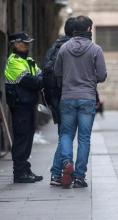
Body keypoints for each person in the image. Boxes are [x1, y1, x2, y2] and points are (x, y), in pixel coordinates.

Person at [54, 15, 107, 188]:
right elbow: (101, 76)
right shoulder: (95, 49)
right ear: (89, 29)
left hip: (67, 97)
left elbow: (57, 72)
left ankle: (66, 161)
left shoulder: (63, 48)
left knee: (66, 134)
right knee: (84, 138)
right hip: (87, 98)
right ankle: (79, 177)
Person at [5, 31, 43, 183]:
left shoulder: (28, 60)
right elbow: (34, 82)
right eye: (24, 43)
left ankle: (25, 169)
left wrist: (40, 79)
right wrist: (39, 80)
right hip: (20, 105)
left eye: (28, 43)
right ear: (15, 44)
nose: (27, 45)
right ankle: (19, 173)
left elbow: (41, 76)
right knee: (21, 138)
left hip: (28, 104)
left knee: (28, 137)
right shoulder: (14, 61)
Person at [42, 17, 75, 186]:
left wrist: (49, 101)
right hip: (68, 97)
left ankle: (56, 174)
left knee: (64, 136)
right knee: (66, 136)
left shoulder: (54, 47)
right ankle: (59, 170)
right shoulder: (72, 48)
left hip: (55, 98)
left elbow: (46, 75)